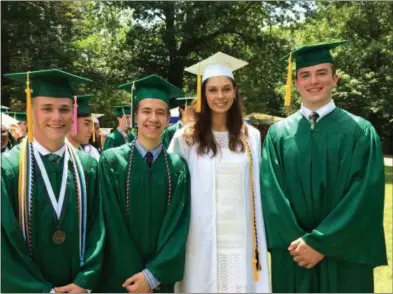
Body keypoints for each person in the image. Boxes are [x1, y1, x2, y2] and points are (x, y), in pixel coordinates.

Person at [261, 41, 387, 293]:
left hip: (344, 253)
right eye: (305, 75)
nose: (313, 81)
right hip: (294, 253)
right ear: (296, 83)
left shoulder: (360, 131)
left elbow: (365, 196)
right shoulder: (278, 134)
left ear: (335, 79)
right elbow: (271, 194)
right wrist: (301, 246)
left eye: (321, 73)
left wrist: (320, 243)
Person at [169, 52, 270, 293]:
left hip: (241, 236)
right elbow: (174, 192)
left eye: (226, 89)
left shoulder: (251, 136)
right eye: (212, 90)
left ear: (235, 92)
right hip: (200, 236)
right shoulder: (186, 138)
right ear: (203, 94)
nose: (220, 96)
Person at [2, 69, 105, 293]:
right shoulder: (7, 169)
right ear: (31, 111)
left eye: (64, 109)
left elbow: (101, 227)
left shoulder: (89, 168)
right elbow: (4, 245)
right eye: (47, 108)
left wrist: (85, 282)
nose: (56, 117)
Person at [95, 74, 190, 293]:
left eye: (160, 113)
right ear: (135, 116)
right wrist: (136, 277)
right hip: (120, 281)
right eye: (146, 111)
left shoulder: (178, 167)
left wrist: (153, 275)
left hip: (159, 281)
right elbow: (109, 221)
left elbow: (179, 226)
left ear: (168, 119)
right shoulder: (111, 162)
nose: (153, 119)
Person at [66, 95, 100, 161]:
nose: (91, 130)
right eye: (86, 124)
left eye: (91, 125)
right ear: (71, 122)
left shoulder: (89, 156)